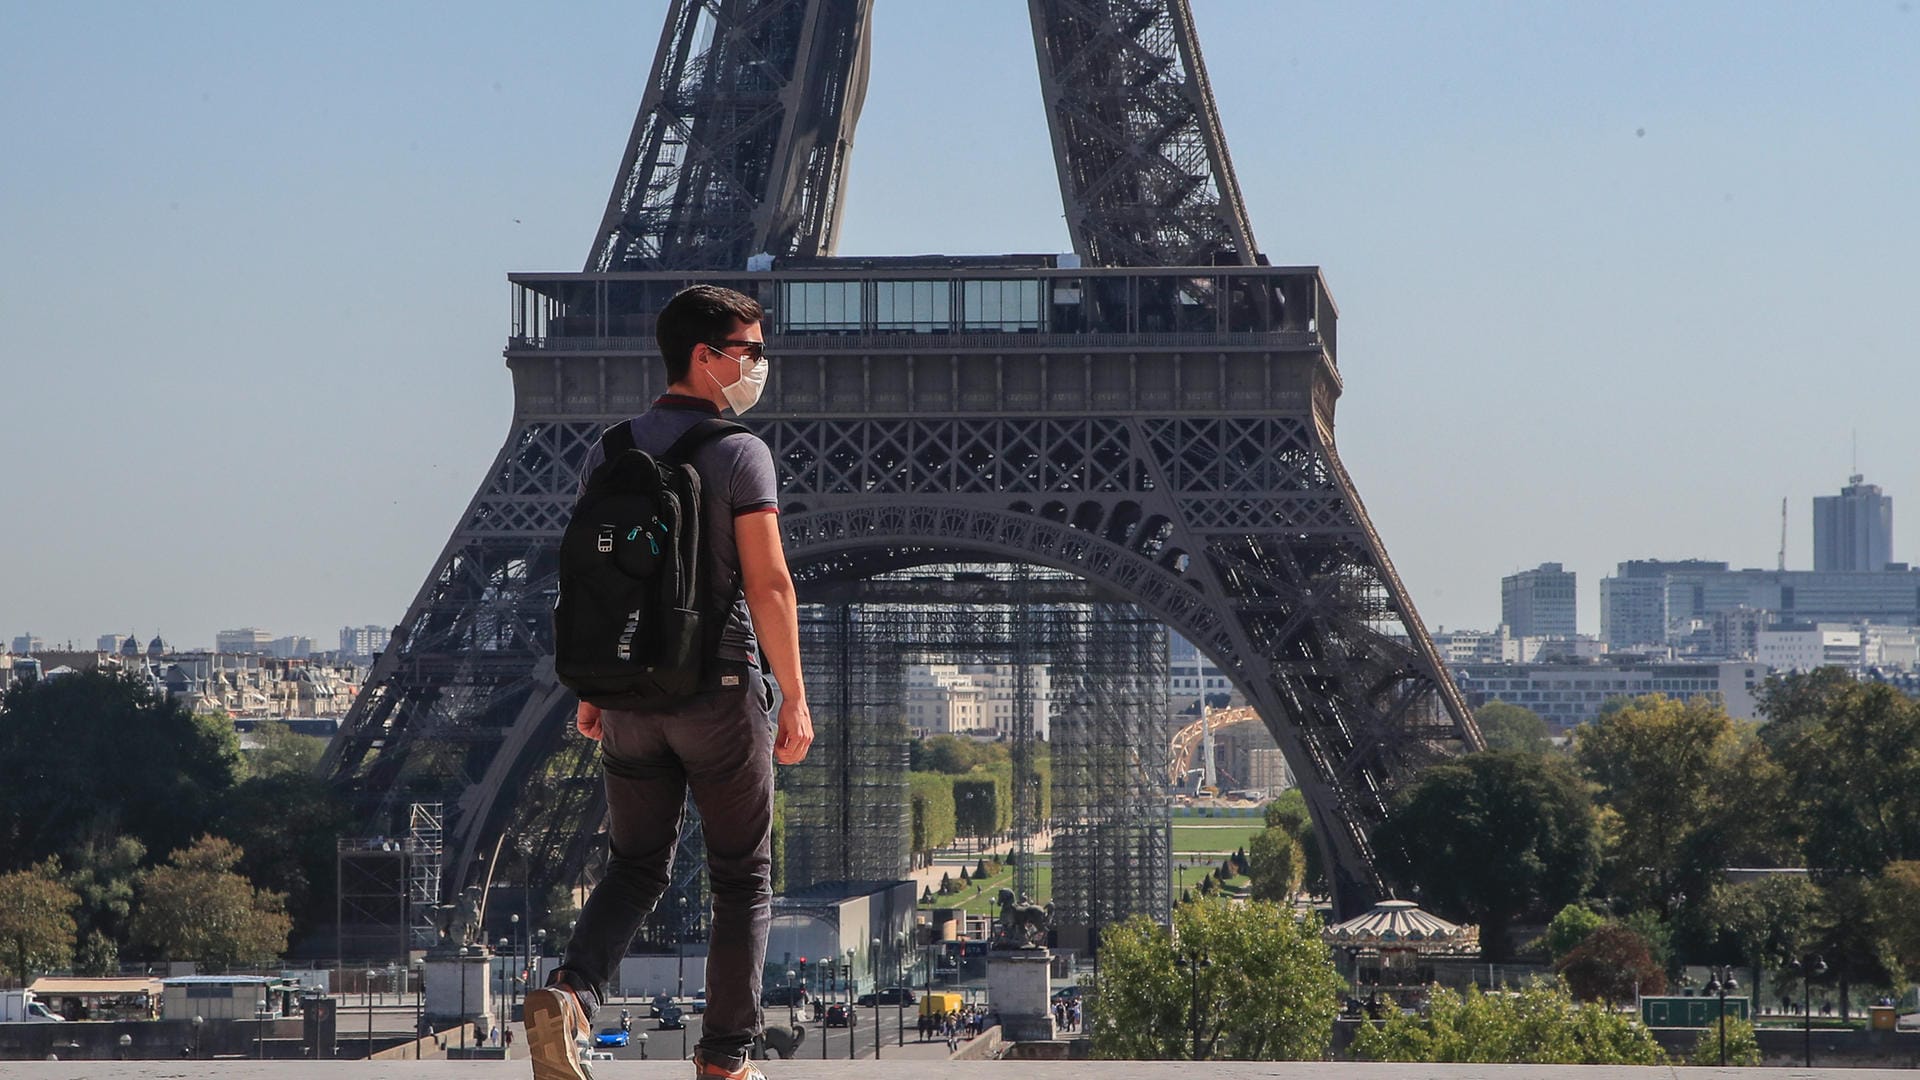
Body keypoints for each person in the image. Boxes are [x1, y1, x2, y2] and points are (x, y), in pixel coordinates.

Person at [523, 285, 815, 1080]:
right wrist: (793, 693)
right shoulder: (739, 451)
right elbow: (771, 585)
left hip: (629, 698)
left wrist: (594, 686)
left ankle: (572, 994)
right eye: (750, 351)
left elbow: (595, 584)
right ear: (705, 355)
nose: (759, 365)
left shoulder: (610, 450)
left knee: (634, 864)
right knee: (741, 877)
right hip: (717, 692)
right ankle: (724, 1059)